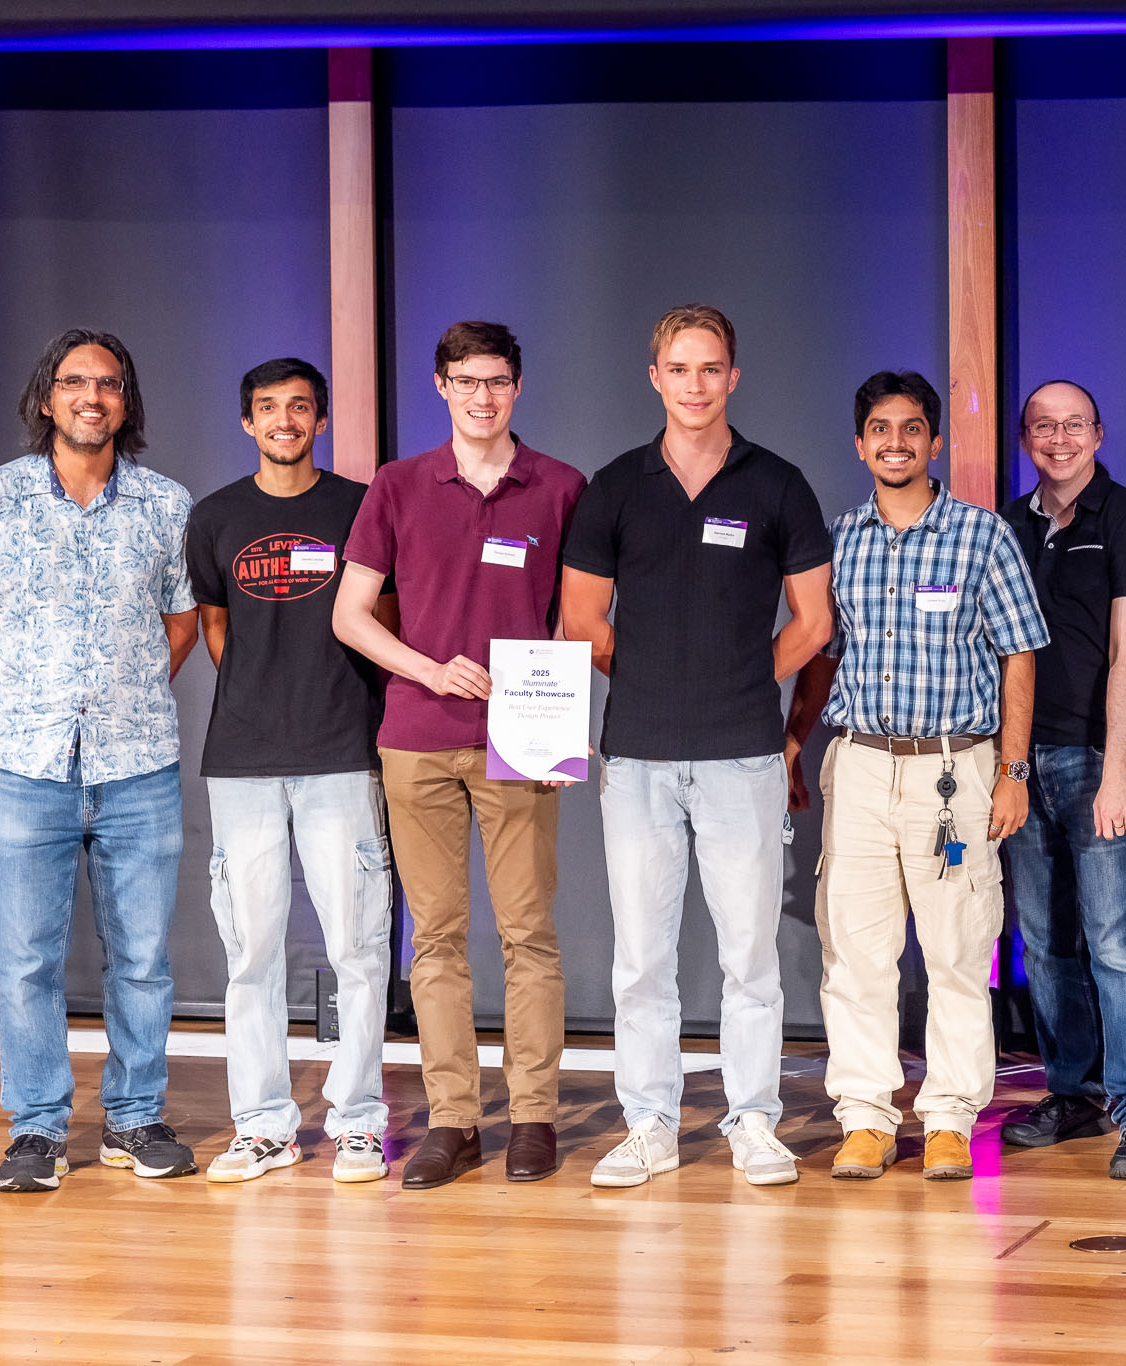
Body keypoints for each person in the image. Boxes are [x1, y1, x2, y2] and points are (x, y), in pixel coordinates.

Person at [561, 305, 834, 1188]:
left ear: (733, 378)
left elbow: (814, 622)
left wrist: (742, 674)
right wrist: (652, 674)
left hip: (742, 752)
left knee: (749, 956)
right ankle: (649, 1124)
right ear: (655, 378)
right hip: (637, 754)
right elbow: (581, 620)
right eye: (679, 369)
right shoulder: (615, 487)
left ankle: (753, 1120)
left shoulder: (778, 485)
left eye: (710, 368)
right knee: (641, 958)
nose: (695, 384)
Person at [0, 328, 200, 1193]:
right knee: (27, 962)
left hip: (137, 766)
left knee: (143, 960)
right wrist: (20, 708)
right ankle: (38, 1129)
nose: (93, 397)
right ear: (47, 398)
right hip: (23, 770)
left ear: (127, 401)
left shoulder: (166, 505)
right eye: (76, 382)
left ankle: (135, 1117)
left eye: (109, 384)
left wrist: (121, 697)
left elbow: (182, 623)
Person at [334, 322, 587, 1189]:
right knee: (435, 938)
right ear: (441, 386)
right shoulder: (398, 485)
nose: (484, 397)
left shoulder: (561, 487)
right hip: (416, 737)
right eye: (467, 382)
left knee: (529, 934)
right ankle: (453, 1120)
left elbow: (575, 618)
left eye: (498, 382)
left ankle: (534, 1115)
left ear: (518, 388)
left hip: (521, 743)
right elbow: (351, 615)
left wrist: (558, 724)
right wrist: (430, 670)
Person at [784, 369, 1048, 1181]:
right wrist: (794, 742)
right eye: (879, 429)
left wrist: (1012, 770)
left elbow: (1020, 655)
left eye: (910, 429)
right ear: (859, 444)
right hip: (861, 764)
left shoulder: (982, 535)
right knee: (855, 953)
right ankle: (865, 1117)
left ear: (935, 442)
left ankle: (949, 1120)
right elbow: (821, 655)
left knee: (958, 950)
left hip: (954, 769)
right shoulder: (839, 539)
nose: (894, 443)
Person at [186, 358, 393, 1184]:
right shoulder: (215, 516)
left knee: (359, 949)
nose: (284, 420)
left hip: (341, 752)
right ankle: (264, 1125)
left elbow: (384, 618)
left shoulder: (360, 507)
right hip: (242, 763)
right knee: (251, 955)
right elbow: (216, 628)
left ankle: (359, 1123)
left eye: (300, 407)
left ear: (321, 419)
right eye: (268, 407)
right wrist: (261, 700)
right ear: (248, 422)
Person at [993, 381, 1126, 1179]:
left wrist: (1117, 770)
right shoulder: (1007, 524)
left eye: (1074, 425)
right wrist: (1005, 764)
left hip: (1101, 761)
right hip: (1022, 762)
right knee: (1045, 944)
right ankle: (1074, 1092)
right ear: (1025, 438)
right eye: (1044, 427)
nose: (1059, 439)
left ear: (1098, 434)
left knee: (1118, 942)